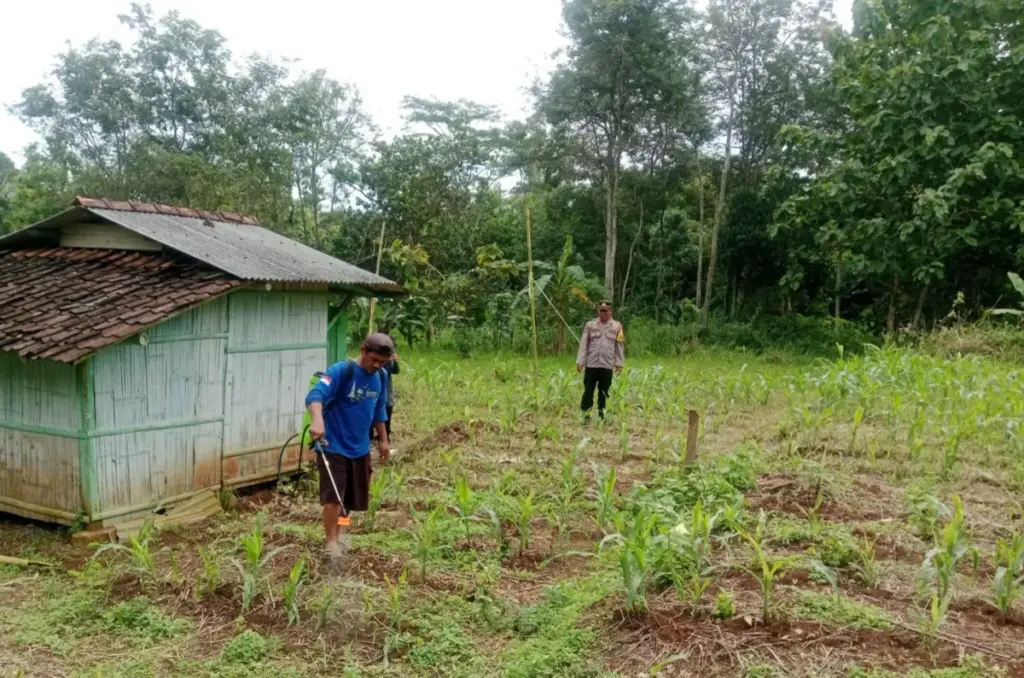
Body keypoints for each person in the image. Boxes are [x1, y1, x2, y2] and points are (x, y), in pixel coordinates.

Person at [305, 333, 393, 560]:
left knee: (351, 498)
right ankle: (330, 541)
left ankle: (340, 532)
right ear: (363, 350)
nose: (378, 365)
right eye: (374, 359)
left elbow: (379, 409)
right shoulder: (341, 371)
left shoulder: (381, 376)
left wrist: (383, 439)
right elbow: (315, 395)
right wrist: (317, 419)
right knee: (334, 496)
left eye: (383, 362)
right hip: (333, 444)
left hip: (360, 447)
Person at [576, 300, 625, 421]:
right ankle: (586, 416)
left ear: (610, 311)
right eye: (600, 311)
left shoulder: (617, 326)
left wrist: (619, 364)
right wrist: (580, 361)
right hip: (592, 364)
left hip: (606, 365)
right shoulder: (590, 325)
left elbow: (619, 345)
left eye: (605, 311)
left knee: (604, 393)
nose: (602, 313)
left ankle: (602, 416)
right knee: (588, 391)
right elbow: (583, 344)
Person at [369, 349, 399, 443]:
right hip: (374, 392)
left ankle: (385, 436)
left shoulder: (388, 363)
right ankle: (370, 436)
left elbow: (395, 370)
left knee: (386, 412)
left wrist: (395, 362)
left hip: (386, 392)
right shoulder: (374, 363)